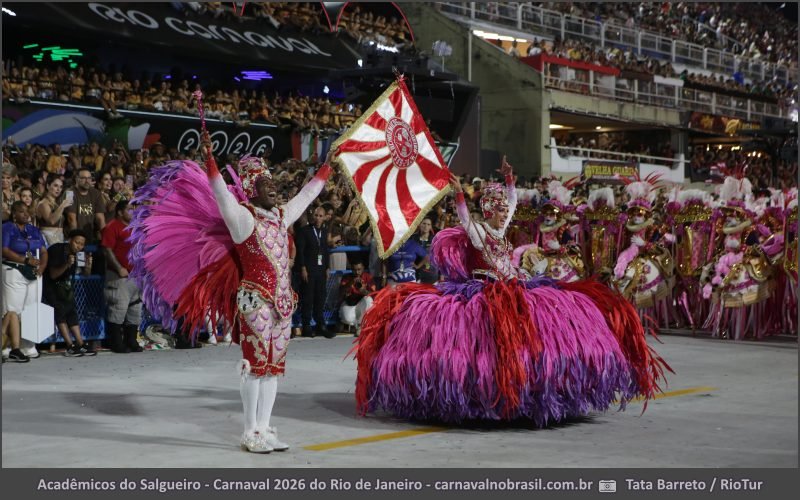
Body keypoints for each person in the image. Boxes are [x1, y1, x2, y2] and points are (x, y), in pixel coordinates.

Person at [353, 157, 670, 424]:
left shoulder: (500, 230)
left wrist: (509, 180)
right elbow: (464, 219)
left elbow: (515, 202)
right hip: (482, 293)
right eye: (500, 209)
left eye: (505, 209)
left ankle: (538, 386)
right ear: (488, 211)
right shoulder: (478, 233)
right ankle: (487, 391)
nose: (506, 213)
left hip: (513, 286)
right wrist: (460, 195)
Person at [129, 142, 335, 454]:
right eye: (267, 185)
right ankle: (249, 431)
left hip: (282, 303)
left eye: (275, 185)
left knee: (273, 369)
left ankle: (265, 428)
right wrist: (210, 160)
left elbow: (307, 195)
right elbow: (221, 194)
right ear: (252, 189)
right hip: (255, 301)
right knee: (254, 366)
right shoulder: (242, 219)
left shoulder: (281, 216)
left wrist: (326, 167)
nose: (275, 190)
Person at [2, 202, 48, 362]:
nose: (26, 214)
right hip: (14, 269)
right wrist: (25, 260)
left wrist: (42, 267)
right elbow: (5, 250)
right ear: (14, 214)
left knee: (31, 309)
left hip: (34, 272)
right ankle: (7, 346)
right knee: (12, 310)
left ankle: (27, 345)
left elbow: (43, 251)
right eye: (21, 212)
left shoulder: (33, 229)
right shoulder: (7, 228)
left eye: (27, 211)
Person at [43, 229, 97, 356]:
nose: (79, 246)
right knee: (60, 312)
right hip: (51, 284)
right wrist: (67, 264)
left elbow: (86, 274)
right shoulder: (57, 249)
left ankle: (81, 343)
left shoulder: (81, 253)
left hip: (66, 286)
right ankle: (69, 345)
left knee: (72, 311)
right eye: (77, 242)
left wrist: (88, 266)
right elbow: (53, 274)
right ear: (70, 240)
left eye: (82, 244)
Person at [101, 200, 143, 353]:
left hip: (135, 275)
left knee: (135, 309)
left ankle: (131, 340)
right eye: (129, 209)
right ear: (119, 212)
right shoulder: (112, 227)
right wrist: (119, 268)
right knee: (119, 309)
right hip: (119, 276)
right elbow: (107, 249)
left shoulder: (135, 228)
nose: (133, 211)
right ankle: (116, 342)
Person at [296, 206, 334, 338]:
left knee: (320, 297)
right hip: (309, 268)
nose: (318, 218)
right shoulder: (305, 231)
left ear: (324, 218)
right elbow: (300, 250)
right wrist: (302, 267)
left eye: (321, 216)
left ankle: (320, 325)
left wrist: (327, 267)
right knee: (308, 297)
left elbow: (325, 250)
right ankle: (306, 325)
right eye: (316, 215)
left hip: (321, 269)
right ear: (313, 216)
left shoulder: (323, 232)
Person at [65, 167, 106, 244]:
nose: (87, 181)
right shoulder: (69, 193)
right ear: (77, 179)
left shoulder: (96, 193)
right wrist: (76, 239)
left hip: (91, 236)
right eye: (84, 178)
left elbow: (100, 218)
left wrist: (105, 237)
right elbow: (71, 219)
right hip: (74, 236)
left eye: (89, 178)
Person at [338, 260, 375, 336]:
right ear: (351, 269)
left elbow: (374, 295)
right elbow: (341, 293)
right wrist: (350, 283)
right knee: (347, 319)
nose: (357, 272)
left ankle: (362, 326)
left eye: (359, 269)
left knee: (369, 300)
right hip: (350, 304)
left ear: (363, 268)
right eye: (354, 270)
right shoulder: (346, 277)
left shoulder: (368, 277)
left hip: (361, 304)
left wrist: (363, 290)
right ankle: (354, 325)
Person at [35, 176, 71, 246]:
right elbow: (51, 221)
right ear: (48, 186)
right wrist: (63, 205)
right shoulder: (43, 203)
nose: (58, 189)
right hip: (48, 239)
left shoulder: (57, 204)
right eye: (55, 186)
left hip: (59, 238)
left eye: (61, 187)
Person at [411, 218, 438, 284]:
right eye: (424, 223)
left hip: (431, 275)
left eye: (428, 224)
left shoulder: (435, 239)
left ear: (431, 227)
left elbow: (439, 258)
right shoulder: (413, 238)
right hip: (415, 274)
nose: (426, 226)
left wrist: (441, 276)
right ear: (420, 224)